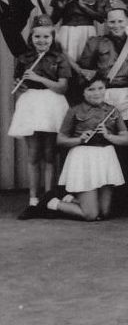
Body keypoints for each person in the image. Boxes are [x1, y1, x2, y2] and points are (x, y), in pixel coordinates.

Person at [8, 14, 71, 219]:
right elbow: (19, 86)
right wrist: (20, 88)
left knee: (50, 155)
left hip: (53, 104)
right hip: (32, 105)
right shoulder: (24, 58)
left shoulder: (60, 58)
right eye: (37, 37)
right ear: (31, 38)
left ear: (52, 38)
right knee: (34, 156)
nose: (41, 41)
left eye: (46, 37)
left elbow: (62, 88)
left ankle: (49, 201)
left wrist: (39, 78)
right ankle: (33, 201)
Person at [47, 75, 128, 221]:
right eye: (91, 89)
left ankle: (71, 199)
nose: (97, 93)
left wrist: (109, 136)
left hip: (106, 158)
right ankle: (54, 203)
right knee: (91, 215)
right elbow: (60, 140)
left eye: (100, 88)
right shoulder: (74, 110)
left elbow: (126, 139)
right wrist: (80, 139)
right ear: (83, 92)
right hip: (83, 159)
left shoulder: (112, 110)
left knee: (104, 213)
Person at [74, 5, 128, 122]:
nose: (116, 25)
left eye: (120, 21)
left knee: (125, 129)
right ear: (105, 22)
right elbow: (83, 72)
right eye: (112, 22)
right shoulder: (95, 42)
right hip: (103, 93)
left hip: (127, 94)